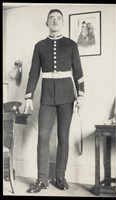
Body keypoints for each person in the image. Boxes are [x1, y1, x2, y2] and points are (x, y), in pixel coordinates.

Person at [24, 9, 85, 193]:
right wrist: (28, 96)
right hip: (47, 97)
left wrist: (81, 95)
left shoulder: (71, 45)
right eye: (52, 19)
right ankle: (42, 180)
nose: (55, 21)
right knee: (42, 137)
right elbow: (34, 73)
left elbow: (78, 72)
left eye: (58, 18)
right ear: (47, 23)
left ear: (63, 23)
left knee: (63, 137)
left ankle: (60, 177)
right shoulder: (40, 46)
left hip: (67, 96)